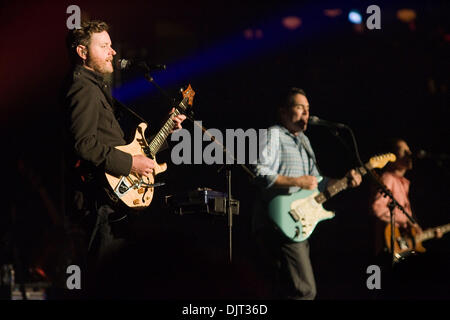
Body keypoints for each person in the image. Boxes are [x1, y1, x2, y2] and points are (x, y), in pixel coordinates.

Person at [62, 20, 186, 297]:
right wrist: (131, 165)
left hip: (113, 199)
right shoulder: (82, 87)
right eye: (104, 46)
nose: (113, 52)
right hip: (99, 202)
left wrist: (165, 134)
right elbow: (83, 145)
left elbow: (128, 148)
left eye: (111, 45)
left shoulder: (95, 87)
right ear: (83, 52)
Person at [251, 87, 362, 300]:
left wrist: (345, 181)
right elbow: (258, 171)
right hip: (275, 219)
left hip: (297, 223)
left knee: (284, 289)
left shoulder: (304, 141)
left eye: (308, 109)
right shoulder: (274, 134)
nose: (306, 114)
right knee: (305, 290)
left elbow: (317, 183)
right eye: (300, 107)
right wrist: (297, 181)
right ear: (283, 112)